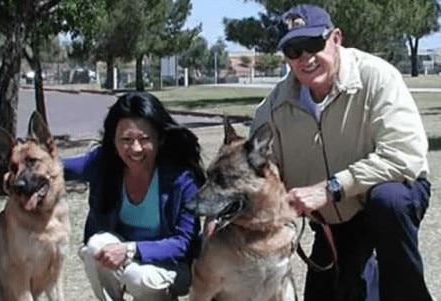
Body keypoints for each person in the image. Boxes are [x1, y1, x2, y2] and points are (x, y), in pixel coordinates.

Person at [250, 4, 432, 301]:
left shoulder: (377, 77)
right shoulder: (272, 108)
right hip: (332, 221)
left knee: (389, 201)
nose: (305, 58)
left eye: (313, 44)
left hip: (383, 202)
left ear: (335, 38)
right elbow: (258, 172)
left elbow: (404, 156)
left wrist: (333, 187)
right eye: (294, 50)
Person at [63, 91, 205, 301]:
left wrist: (131, 250)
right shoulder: (104, 163)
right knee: (95, 246)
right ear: (113, 140)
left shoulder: (181, 177)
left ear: (160, 138)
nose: (135, 148)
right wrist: (23, 169)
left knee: (136, 276)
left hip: (173, 267)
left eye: (144, 139)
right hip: (127, 261)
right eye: (126, 139)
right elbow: (57, 168)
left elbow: (183, 243)